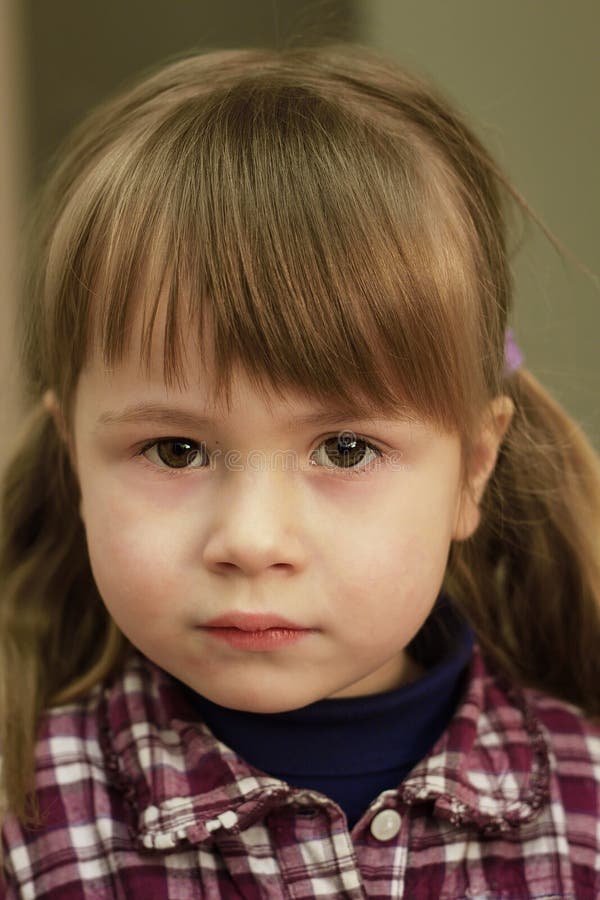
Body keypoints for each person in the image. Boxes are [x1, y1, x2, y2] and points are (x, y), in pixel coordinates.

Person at [1, 42, 599, 899]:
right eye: (176, 450)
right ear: (75, 462)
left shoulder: (589, 814)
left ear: (474, 467)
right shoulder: (25, 825)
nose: (251, 540)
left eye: (345, 449)